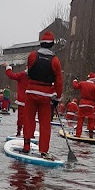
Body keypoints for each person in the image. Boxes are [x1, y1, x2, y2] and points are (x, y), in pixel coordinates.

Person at [22, 30, 63, 158]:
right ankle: (44, 150)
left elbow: (29, 71)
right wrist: (57, 97)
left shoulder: (32, 56)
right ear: (52, 44)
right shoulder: (55, 61)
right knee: (45, 123)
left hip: (31, 92)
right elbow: (59, 81)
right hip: (46, 95)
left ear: (41, 43)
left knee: (28, 119)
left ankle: (26, 145)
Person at [73, 72, 95, 139]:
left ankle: (78, 134)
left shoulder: (82, 83)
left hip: (82, 103)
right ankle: (91, 134)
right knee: (91, 119)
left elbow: (75, 86)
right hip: (90, 105)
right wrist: (93, 101)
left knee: (80, 119)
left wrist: (75, 80)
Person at [5, 64, 29, 137]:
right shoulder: (37, 76)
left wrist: (8, 67)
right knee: (30, 117)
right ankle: (29, 133)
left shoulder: (22, 75)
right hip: (32, 100)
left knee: (21, 117)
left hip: (22, 99)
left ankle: (19, 131)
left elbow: (11, 75)